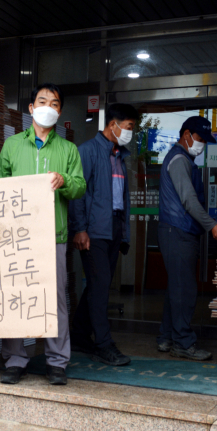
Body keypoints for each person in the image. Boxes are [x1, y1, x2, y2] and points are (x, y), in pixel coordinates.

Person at [0, 83, 85, 385]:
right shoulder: (12, 145)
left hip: (53, 235)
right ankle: (15, 359)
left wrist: (63, 180)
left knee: (54, 300)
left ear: (59, 110)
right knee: (15, 295)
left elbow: (80, 187)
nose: (47, 107)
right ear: (31, 108)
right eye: (42, 101)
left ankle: (57, 362)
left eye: (54, 103)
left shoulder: (68, 149)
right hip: (16, 237)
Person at [69, 103, 138, 366]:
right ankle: (104, 344)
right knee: (100, 289)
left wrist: (125, 233)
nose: (131, 132)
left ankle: (78, 335)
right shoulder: (86, 151)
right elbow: (78, 195)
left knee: (100, 285)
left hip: (114, 229)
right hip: (94, 231)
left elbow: (121, 199)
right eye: (129, 127)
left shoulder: (119, 155)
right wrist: (80, 229)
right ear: (113, 125)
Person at [157, 116, 217, 361]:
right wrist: (212, 225)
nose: (202, 145)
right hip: (177, 231)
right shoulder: (178, 160)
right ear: (186, 134)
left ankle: (166, 336)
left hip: (177, 231)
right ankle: (183, 343)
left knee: (176, 288)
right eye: (199, 139)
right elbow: (188, 200)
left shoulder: (185, 159)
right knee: (184, 290)